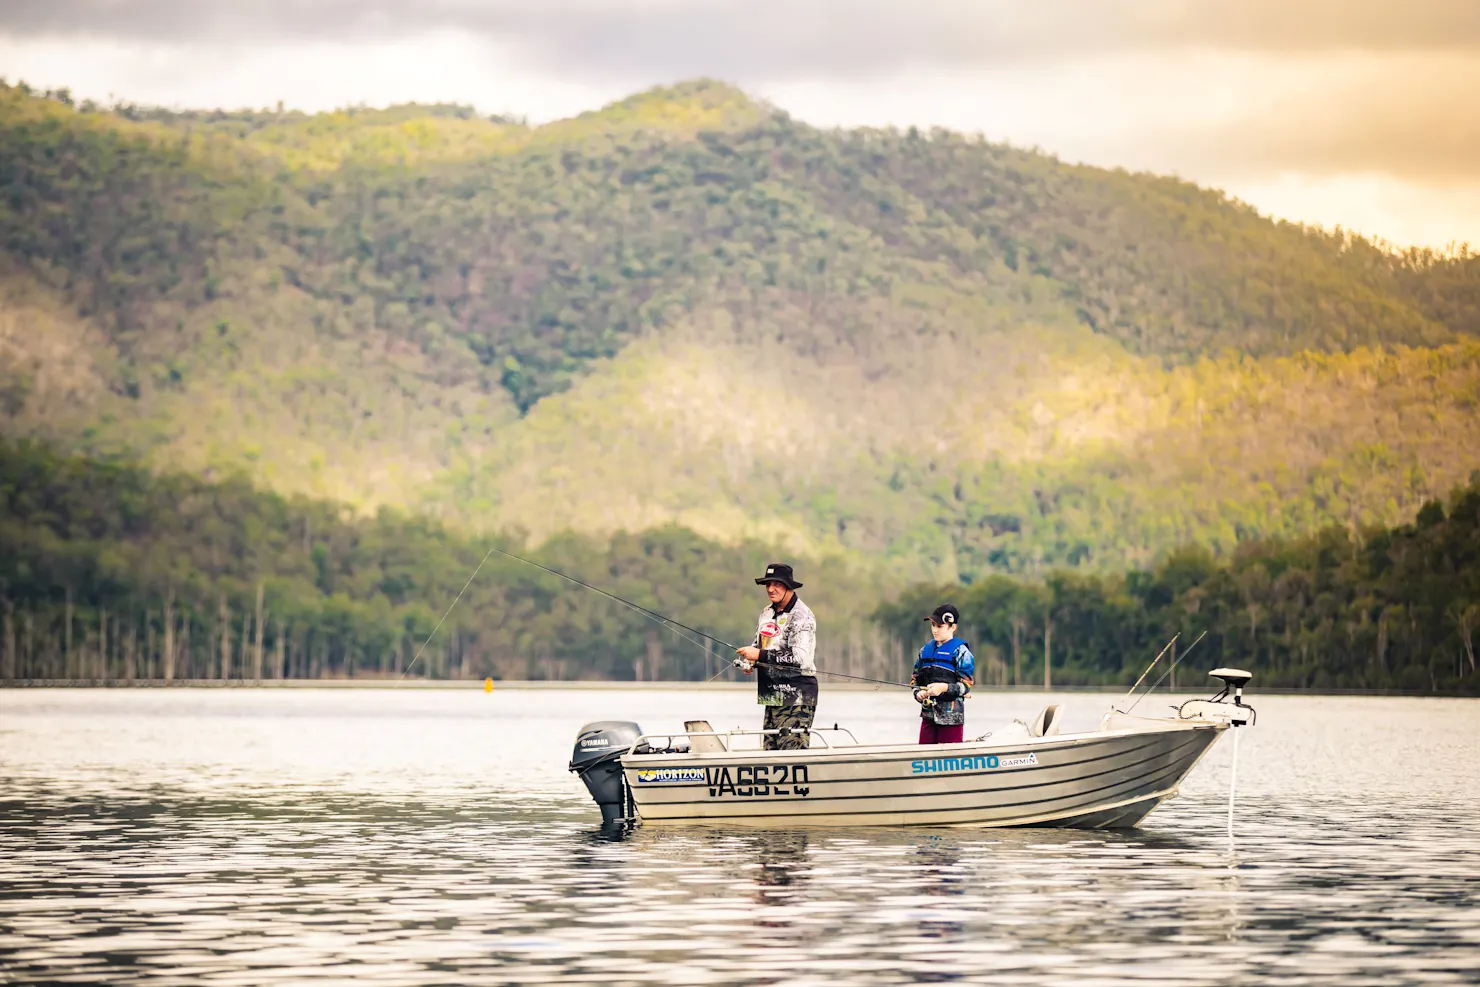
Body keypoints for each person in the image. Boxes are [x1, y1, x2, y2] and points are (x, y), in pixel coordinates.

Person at [735, 562, 818, 750]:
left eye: (777, 584)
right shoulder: (766, 612)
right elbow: (759, 646)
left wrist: (760, 655)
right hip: (772, 693)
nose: (771, 589)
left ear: (788, 586)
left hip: (797, 694)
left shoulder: (802, 616)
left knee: (792, 755)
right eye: (768, 584)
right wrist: (750, 660)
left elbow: (801, 658)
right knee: (771, 755)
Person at [913, 604, 975, 744]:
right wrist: (918, 693)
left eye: (939, 626)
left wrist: (944, 687)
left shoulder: (962, 652)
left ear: (952, 627)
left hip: (951, 719)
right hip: (928, 717)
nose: (935, 630)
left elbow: (966, 686)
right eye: (933, 625)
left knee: (949, 756)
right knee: (924, 754)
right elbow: (915, 680)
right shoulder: (924, 651)